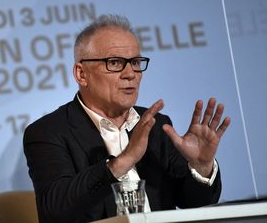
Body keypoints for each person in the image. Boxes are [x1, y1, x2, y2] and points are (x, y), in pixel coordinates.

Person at [23, 14, 230, 223]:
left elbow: (195, 203)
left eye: (136, 62)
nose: (130, 73)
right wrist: (125, 159)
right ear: (81, 74)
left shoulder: (157, 125)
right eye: (115, 62)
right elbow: (55, 211)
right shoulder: (48, 132)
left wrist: (201, 167)